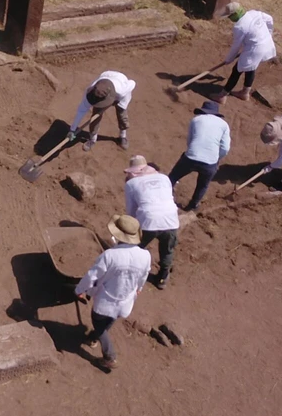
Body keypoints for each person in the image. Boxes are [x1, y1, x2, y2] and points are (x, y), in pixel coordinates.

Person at [75, 215, 152, 371]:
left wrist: (80, 290)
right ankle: (93, 338)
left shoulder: (110, 255)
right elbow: (144, 276)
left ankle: (110, 356)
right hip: (126, 301)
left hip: (105, 301)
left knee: (98, 323)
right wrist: (139, 288)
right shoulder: (145, 255)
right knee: (111, 319)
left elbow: (92, 276)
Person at [124, 156, 181, 289]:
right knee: (167, 250)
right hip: (171, 221)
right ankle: (162, 278)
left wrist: (131, 230)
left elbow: (131, 211)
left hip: (148, 221)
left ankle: (130, 271)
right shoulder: (165, 178)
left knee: (134, 248)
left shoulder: (131, 184)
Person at [168, 100, 231, 211]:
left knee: (173, 177)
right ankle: (193, 205)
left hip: (191, 156)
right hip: (210, 162)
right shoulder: (224, 125)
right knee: (203, 185)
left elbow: (190, 140)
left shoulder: (196, 120)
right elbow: (225, 148)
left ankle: (165, 195)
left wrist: (192, 151)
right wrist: (217, 159)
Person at [215, 2, 276, 102]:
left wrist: (228, 59)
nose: (230, 19)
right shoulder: (254, 13)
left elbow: (236, 46)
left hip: (255, 50)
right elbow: (269, 18)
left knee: (237, 70)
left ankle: (222, 96)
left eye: (230, 16)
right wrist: (268, 34)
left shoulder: (239, 27)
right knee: (251, 67)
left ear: (235, 14)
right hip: (266, 45)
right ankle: (245, 93)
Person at [67, 71, 136, 151]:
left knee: (122, 115)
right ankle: (92, 139)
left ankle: (122, 136)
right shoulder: (90, 93)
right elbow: (80, 112)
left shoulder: (122, 90)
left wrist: (117, 100)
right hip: (106, 76)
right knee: (95, 117)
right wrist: (72, 130)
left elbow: (132, 83)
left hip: (121, 88)